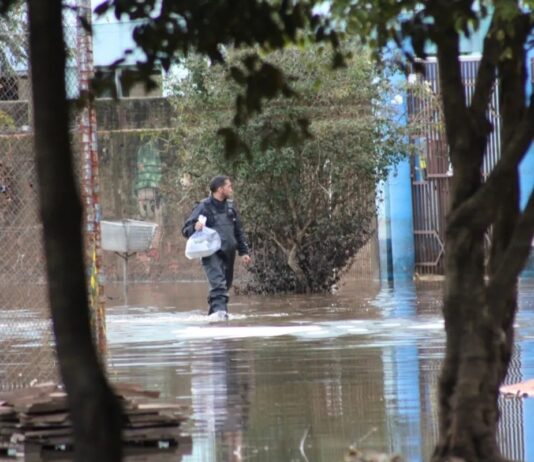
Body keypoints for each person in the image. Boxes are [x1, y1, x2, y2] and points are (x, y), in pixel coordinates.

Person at [182, 175, 251, 318]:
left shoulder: (231, 207)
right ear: (220, 189)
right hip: (211, 254)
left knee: (225, 286)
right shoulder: (204, 206)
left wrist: (244, 252)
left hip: (229, 252)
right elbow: (185, 229)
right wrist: (195, 226)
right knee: (219, 287)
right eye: (229, 186)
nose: (231, 189)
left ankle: (214, 320)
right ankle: (221, 322)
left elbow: (238, 231)